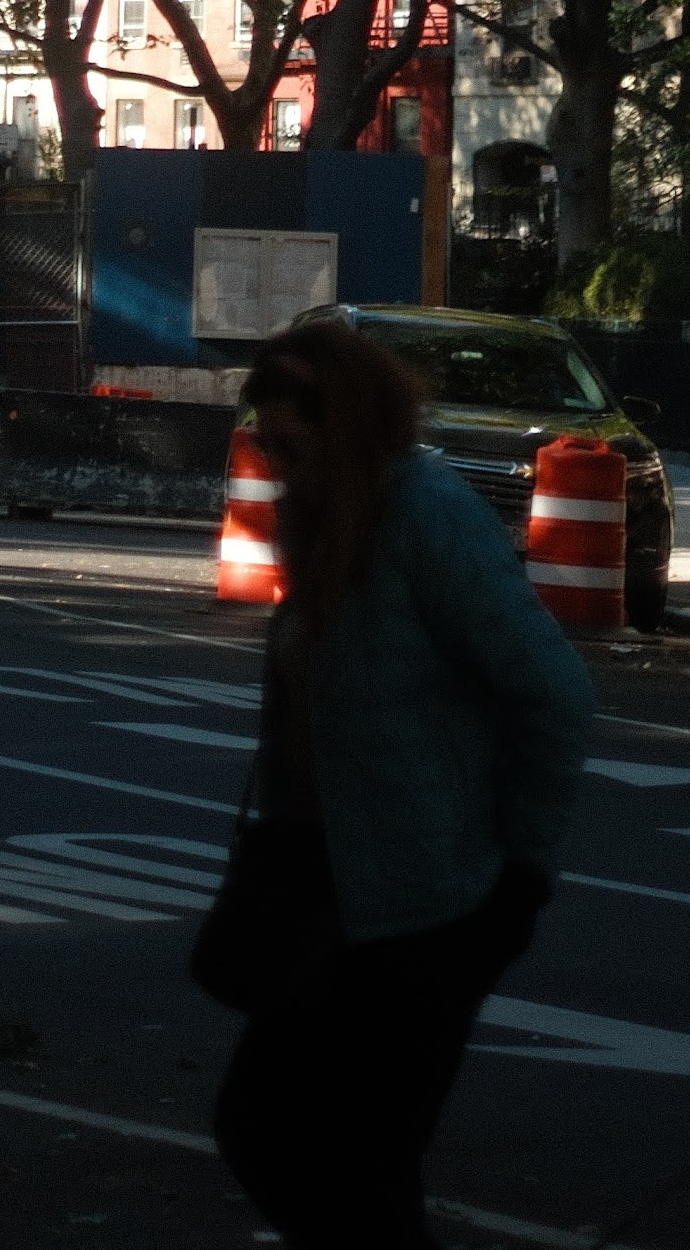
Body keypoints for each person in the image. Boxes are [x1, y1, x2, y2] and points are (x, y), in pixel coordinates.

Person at [209, 311, 594, 1250]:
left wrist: (521, 875)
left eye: (285, 437)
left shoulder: (425, 515)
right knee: (281, 1134)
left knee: (350, 1152)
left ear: (339, 423)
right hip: (330, 893)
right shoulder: (318, 518)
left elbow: (552, 693)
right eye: (261, 438)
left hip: (427, 906)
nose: (270, 459)